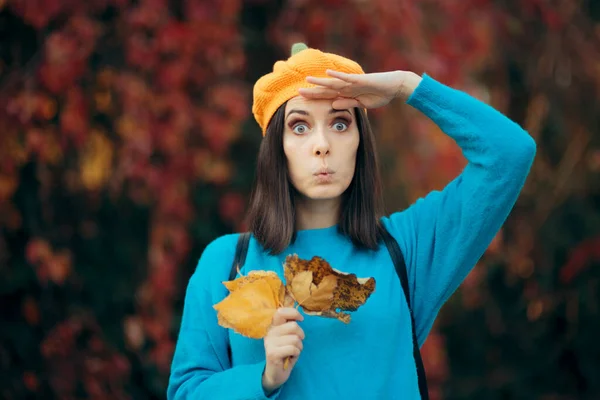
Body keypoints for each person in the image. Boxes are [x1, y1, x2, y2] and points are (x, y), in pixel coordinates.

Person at [166, 43, 536, 400]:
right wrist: (263, 379)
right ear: (276, 148)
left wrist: (408, 87)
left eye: (340, 124)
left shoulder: (405, 250)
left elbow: (509, 153)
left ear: (360, 141)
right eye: (299, 126)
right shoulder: (229, 262)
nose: (322, 143)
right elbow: (186, 392)